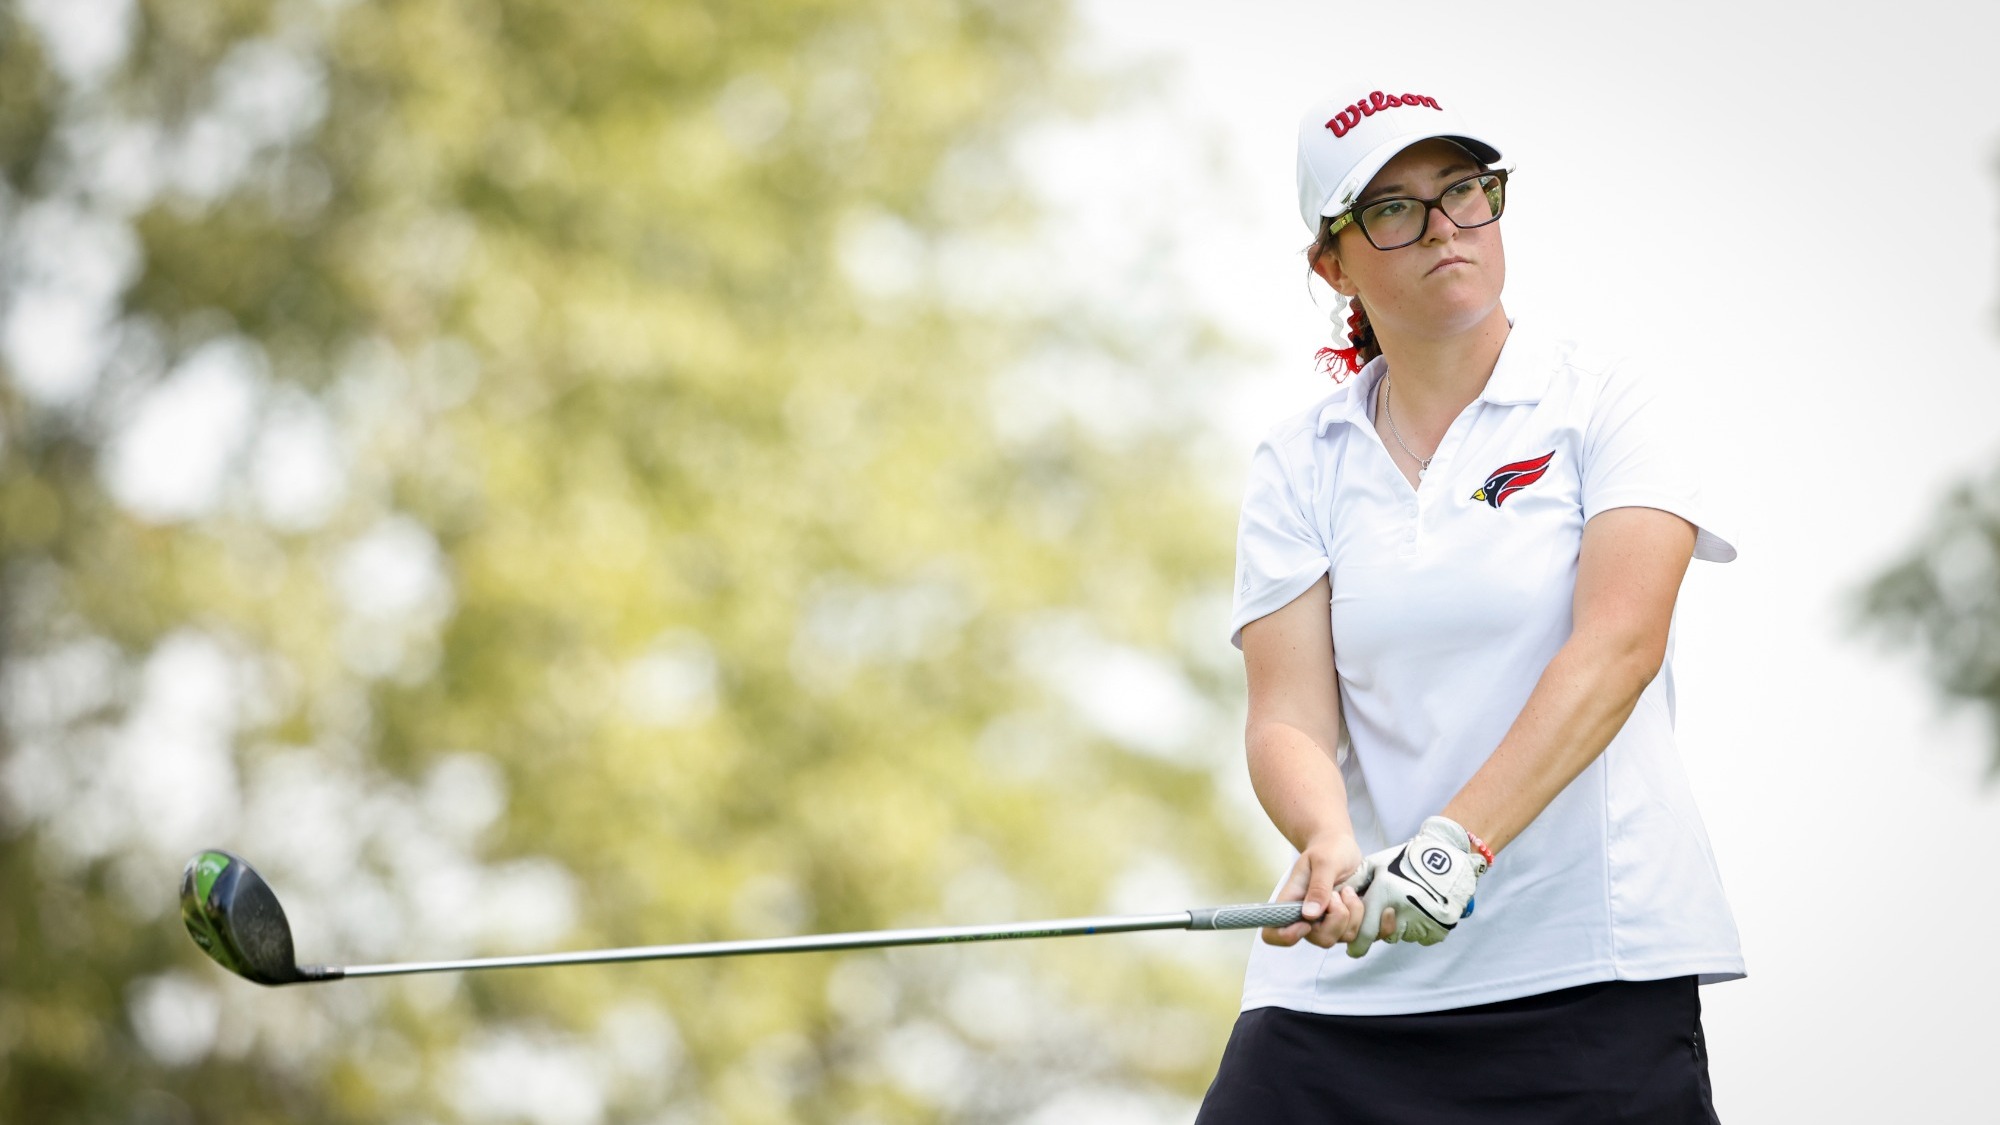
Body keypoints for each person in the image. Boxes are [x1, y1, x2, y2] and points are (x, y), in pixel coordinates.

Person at [1194, 85, 1743, 1123]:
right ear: (1333, 264)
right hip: (1344, 1000)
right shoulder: (1298, 460)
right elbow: (1287, 715)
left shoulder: (1605, 400)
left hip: (1589, 974)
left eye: (1462, 190)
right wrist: (1323, 835)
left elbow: (1619, 647)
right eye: (1393, 209)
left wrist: (1454, 845)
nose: (1444, 227)